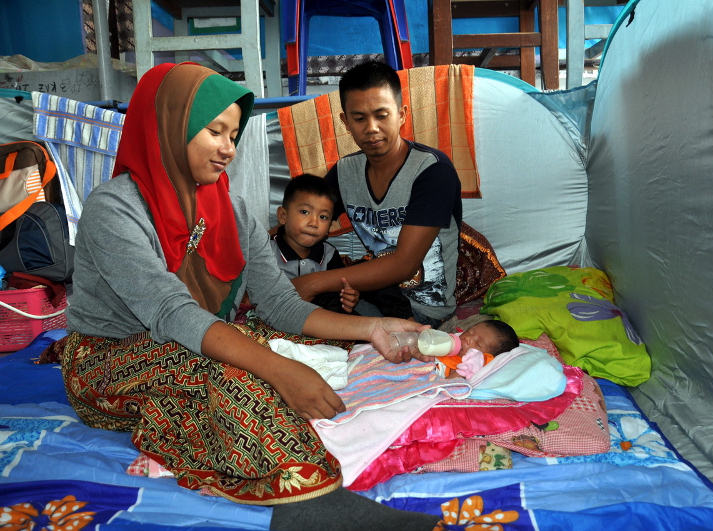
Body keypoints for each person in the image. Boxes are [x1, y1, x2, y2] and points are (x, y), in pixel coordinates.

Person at [56, 62, 439, 531]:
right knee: (238, 367)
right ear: (169, 126)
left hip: (184, 338)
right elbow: (173, 313)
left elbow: (281, 305)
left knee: (295, 341)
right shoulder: (113, 209)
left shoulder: (229, 208)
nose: (227, 150)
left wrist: (373, 328)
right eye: (214, 132)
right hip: (108, 358)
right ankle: (308, 498)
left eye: (233, 135)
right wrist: (280, 371)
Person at [290, 61, 462, 328]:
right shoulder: (346, 171)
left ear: (402, 114)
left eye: (382, 115)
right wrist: (264, 257)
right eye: (359, 118)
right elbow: (301, 221)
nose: (371, 128)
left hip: (423, 312)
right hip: (368, 295)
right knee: (290, 309)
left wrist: (311, 283)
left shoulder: (433, 171)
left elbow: (404, 264)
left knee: (307, 312)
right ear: (345, 122)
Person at [272, 173, 413, 318]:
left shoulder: (328, 253)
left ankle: (408, 321)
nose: (314, 223)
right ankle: (358, 332)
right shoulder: (267, 251)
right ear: (283, 216)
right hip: (283, 315)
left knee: (376, 274)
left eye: (323, 217)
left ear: (329, 227)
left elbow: (341, 291)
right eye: (304, 212)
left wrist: (350, 296)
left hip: (325, 318)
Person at [437, 319, 520, 379]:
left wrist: (462, 373)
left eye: (478, 344)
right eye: (469, 332)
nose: (468, 338)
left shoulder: (470, 365)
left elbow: (448, 384)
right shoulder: (451, 340)